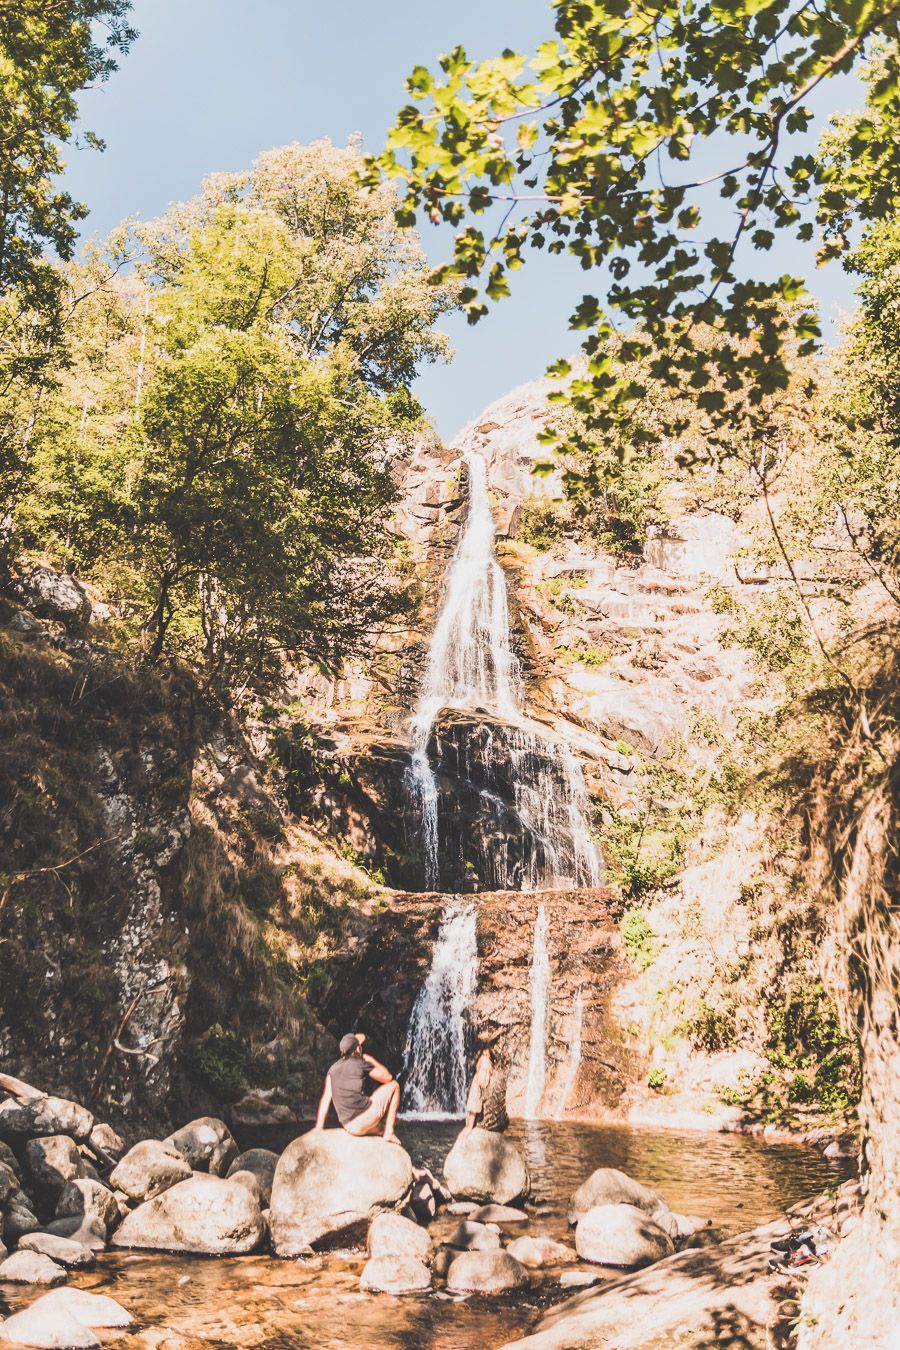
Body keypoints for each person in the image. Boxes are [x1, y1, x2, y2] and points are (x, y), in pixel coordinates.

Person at [314, 1032, 402, 1144]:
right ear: (357, 1049)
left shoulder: (332, 1070)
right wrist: (371, 1060)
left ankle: (379, 1129)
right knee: (394, 1085)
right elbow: (388, 1077)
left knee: (379, 1126)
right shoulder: (360, 1062)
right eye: (360, 1046)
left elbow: (326, 1099)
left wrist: (319, 1127)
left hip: (349, 1126)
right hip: (363, 1120)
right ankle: (389, 1132)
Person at [460, 1047, 509, 1137]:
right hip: (500, 1125)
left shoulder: (478, 1078)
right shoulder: (501, 1076)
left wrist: (469, 1127)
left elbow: (474, 1106)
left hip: (484, 1126)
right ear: (494, 1062)